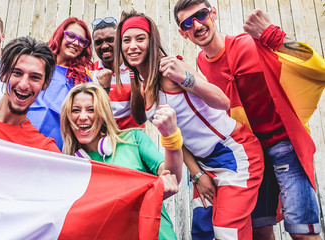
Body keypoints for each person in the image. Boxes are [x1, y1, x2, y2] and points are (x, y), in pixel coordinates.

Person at [173, 1, 325, 239]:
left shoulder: (248, 44)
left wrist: (272, 35)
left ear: (213, 13)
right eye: (187, 23)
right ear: (183, 33)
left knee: (303, 233)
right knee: (259, 232)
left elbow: (316, 67)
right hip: (250, 155)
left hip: (284, 145)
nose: (197, 25)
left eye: (201, 15)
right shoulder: (200, 65)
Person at [114, 10, 264, 240]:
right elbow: (174, 138)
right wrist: (197, 174)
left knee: (228, 232)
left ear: (151, 41)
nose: (132, 46)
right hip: (203, 165)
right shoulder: (143, 85)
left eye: (140, 38)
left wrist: (187, 78)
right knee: (203, 233)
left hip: (234, 151)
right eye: (127, 40)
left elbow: (223, 101)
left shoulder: (171, 69)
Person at [60, 82, 183, 240]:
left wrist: (171, 135)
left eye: (91, 109)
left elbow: (171, 176)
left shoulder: (133, 140)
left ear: (103, 113)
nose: (83, 116)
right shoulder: (69, 166)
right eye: (75, 110)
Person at [27, 17, 93, 150]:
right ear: (60, 35)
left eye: (81, 41)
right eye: (71, 36)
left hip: (58, 147)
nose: (75, 43)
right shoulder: (37, 63)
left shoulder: (84, 79)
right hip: (24, 136)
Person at [90, 16, 142, 129]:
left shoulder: (137, 69)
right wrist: (104, 89)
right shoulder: (89, 72)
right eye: (98, 42)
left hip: (130, 138)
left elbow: (140, 117)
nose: (104, 46)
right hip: (100, 137)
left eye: (110, 40)